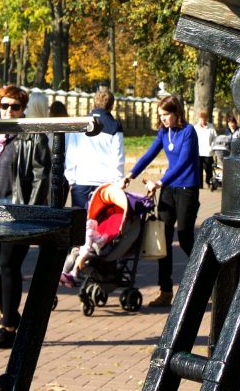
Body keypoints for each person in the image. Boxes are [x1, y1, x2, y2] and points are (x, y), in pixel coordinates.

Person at [0, 86, 51, 349]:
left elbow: (41, 174)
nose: (9, 111)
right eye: (5, 106)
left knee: (8, 265)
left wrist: (31, 211)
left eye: (15, 107)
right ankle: (11, 313)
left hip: (16, 209)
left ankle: (7, 326)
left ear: (23, 108)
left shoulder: (31, 136)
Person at [122, 94, 199, 307]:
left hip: (186, 190)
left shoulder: (188, 132)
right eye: (160, 116)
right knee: (163, 241)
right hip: (168, 191)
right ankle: (165, 292)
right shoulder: (164, 132)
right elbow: (148, 155)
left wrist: (160, 181)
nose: (163, 119)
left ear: (176, 113)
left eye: (166, 115)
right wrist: (131, 175)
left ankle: (207, 279)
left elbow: (183, 163)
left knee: (184, 238)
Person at [65, 88, 124, 212]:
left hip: (81, 181)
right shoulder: (115, 126)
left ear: (93, 103)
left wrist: (70, 179)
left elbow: (71, 153)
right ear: (112, 106)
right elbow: (118, 157)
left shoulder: (80, 123)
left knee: (79, 225)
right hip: (105, 184)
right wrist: (118, 182)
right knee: (102, 225)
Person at [193, 110, 216, 189]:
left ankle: (209, 182)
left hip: (208, 152)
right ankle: (199, 184)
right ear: (199, 119)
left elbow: (215, 138)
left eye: (205, 119)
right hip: (198, 152)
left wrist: (212, 146)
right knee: (198, 168)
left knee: (208, 169)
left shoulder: (211, 127)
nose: (203, 121)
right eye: (202, 119)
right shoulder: (195, 128)